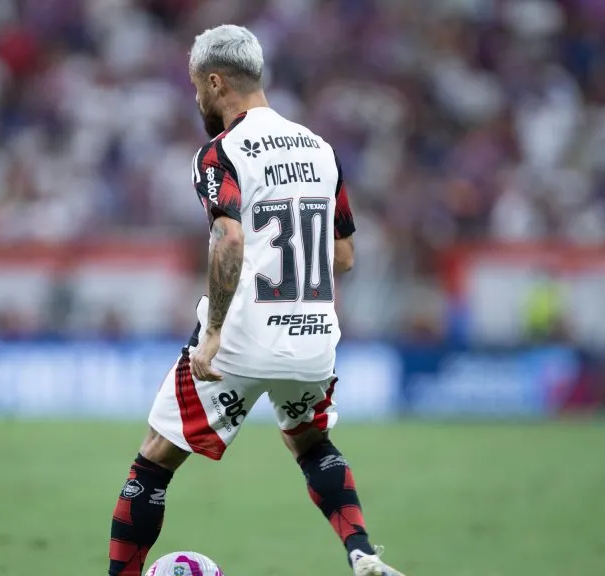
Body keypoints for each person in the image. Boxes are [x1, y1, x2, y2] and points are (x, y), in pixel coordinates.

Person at [105, 25, 405, 576]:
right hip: (313, 337)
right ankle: (361, 551)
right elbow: (343, 256)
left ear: (215, 83)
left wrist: (215, 331)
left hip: (241, 338)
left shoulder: (221, 153)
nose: (197, 99)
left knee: (153, 461)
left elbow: (229, 238)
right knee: (312, 444)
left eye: (198, 88)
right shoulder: (320, 149)